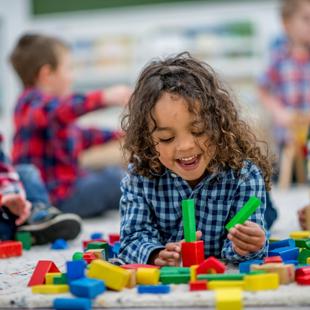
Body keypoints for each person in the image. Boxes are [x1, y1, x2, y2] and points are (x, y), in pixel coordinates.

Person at [118, 52, 272, 265]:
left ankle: (270, 210)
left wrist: (249, 244)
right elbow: (132, 239)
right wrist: (155, 254)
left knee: (268, 218)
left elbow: (242, 253)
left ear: (218, 124)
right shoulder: (139, 177)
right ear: (147, 138)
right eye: (167, 138)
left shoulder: (244, 175)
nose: (185, 145)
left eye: (198, 130)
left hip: (236, 180)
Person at [9, 33, 132, 218]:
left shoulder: (51, 112)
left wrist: (121, 134)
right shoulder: (30, 105)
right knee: (116, 179)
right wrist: (104, 97)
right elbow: (62, 110)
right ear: (46, 74)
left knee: (112, 173)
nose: (72, 77)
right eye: (69, 69)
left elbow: (81, 136)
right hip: (56, 198)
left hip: (70, 188)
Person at [258, 0, 310, 230]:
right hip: (289, 130)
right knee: (287, 176)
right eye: (307, 20)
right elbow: (263, 88)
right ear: (287, 24)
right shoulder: (279, 56)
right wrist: (279, 112)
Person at [0, 133, 81, 244]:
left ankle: (38, 214)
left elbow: (4, 169)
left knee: (26, 171)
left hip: (11, 201)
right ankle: (19, 229)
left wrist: (11, 194)